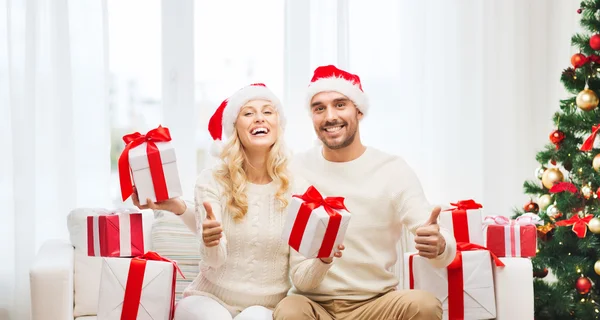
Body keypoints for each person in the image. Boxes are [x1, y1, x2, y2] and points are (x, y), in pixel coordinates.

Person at [272, 65, 457, 320]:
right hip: (314, 305)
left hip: (376, 304)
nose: (329, 116)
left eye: (340, 104)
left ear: (358, 111)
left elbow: (439, 242)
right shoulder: (296, 168)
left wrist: (440, 245)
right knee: (289, 311)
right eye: (319, 108)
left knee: (423, 305)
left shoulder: (391, 170)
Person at [133, 83, 292, 320]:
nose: (259, 118)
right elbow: (215, 259)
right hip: (208, 299)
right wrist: (210, 240)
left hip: (266, 306)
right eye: (248, 113)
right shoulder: (212, 180)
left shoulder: (295, 185)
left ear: (279, 124)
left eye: (268, 111)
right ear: (234, 128)